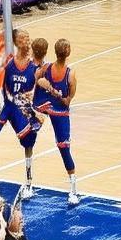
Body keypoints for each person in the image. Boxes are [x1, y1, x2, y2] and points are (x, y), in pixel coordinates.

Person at [0, 29, 41, 199]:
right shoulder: (7, 63)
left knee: (29, 144)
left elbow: (41, 92)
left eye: (28, 38)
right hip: (6, 107)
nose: (28, 41)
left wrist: (39, 113)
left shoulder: (35, 67)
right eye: (24, 39)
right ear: (16, 42)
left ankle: (29, 181)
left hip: (21, 110)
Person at [35, 39, 81, 206]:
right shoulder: (69, 73)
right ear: (68, 53)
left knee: (62, 147)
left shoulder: (51, 69)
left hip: (54, 110)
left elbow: (35, 79)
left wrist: (51, 89)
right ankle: (73, 190)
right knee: (64, 148)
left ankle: (73, 188)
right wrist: (43, 85)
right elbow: (68, 100)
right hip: (52, 108)